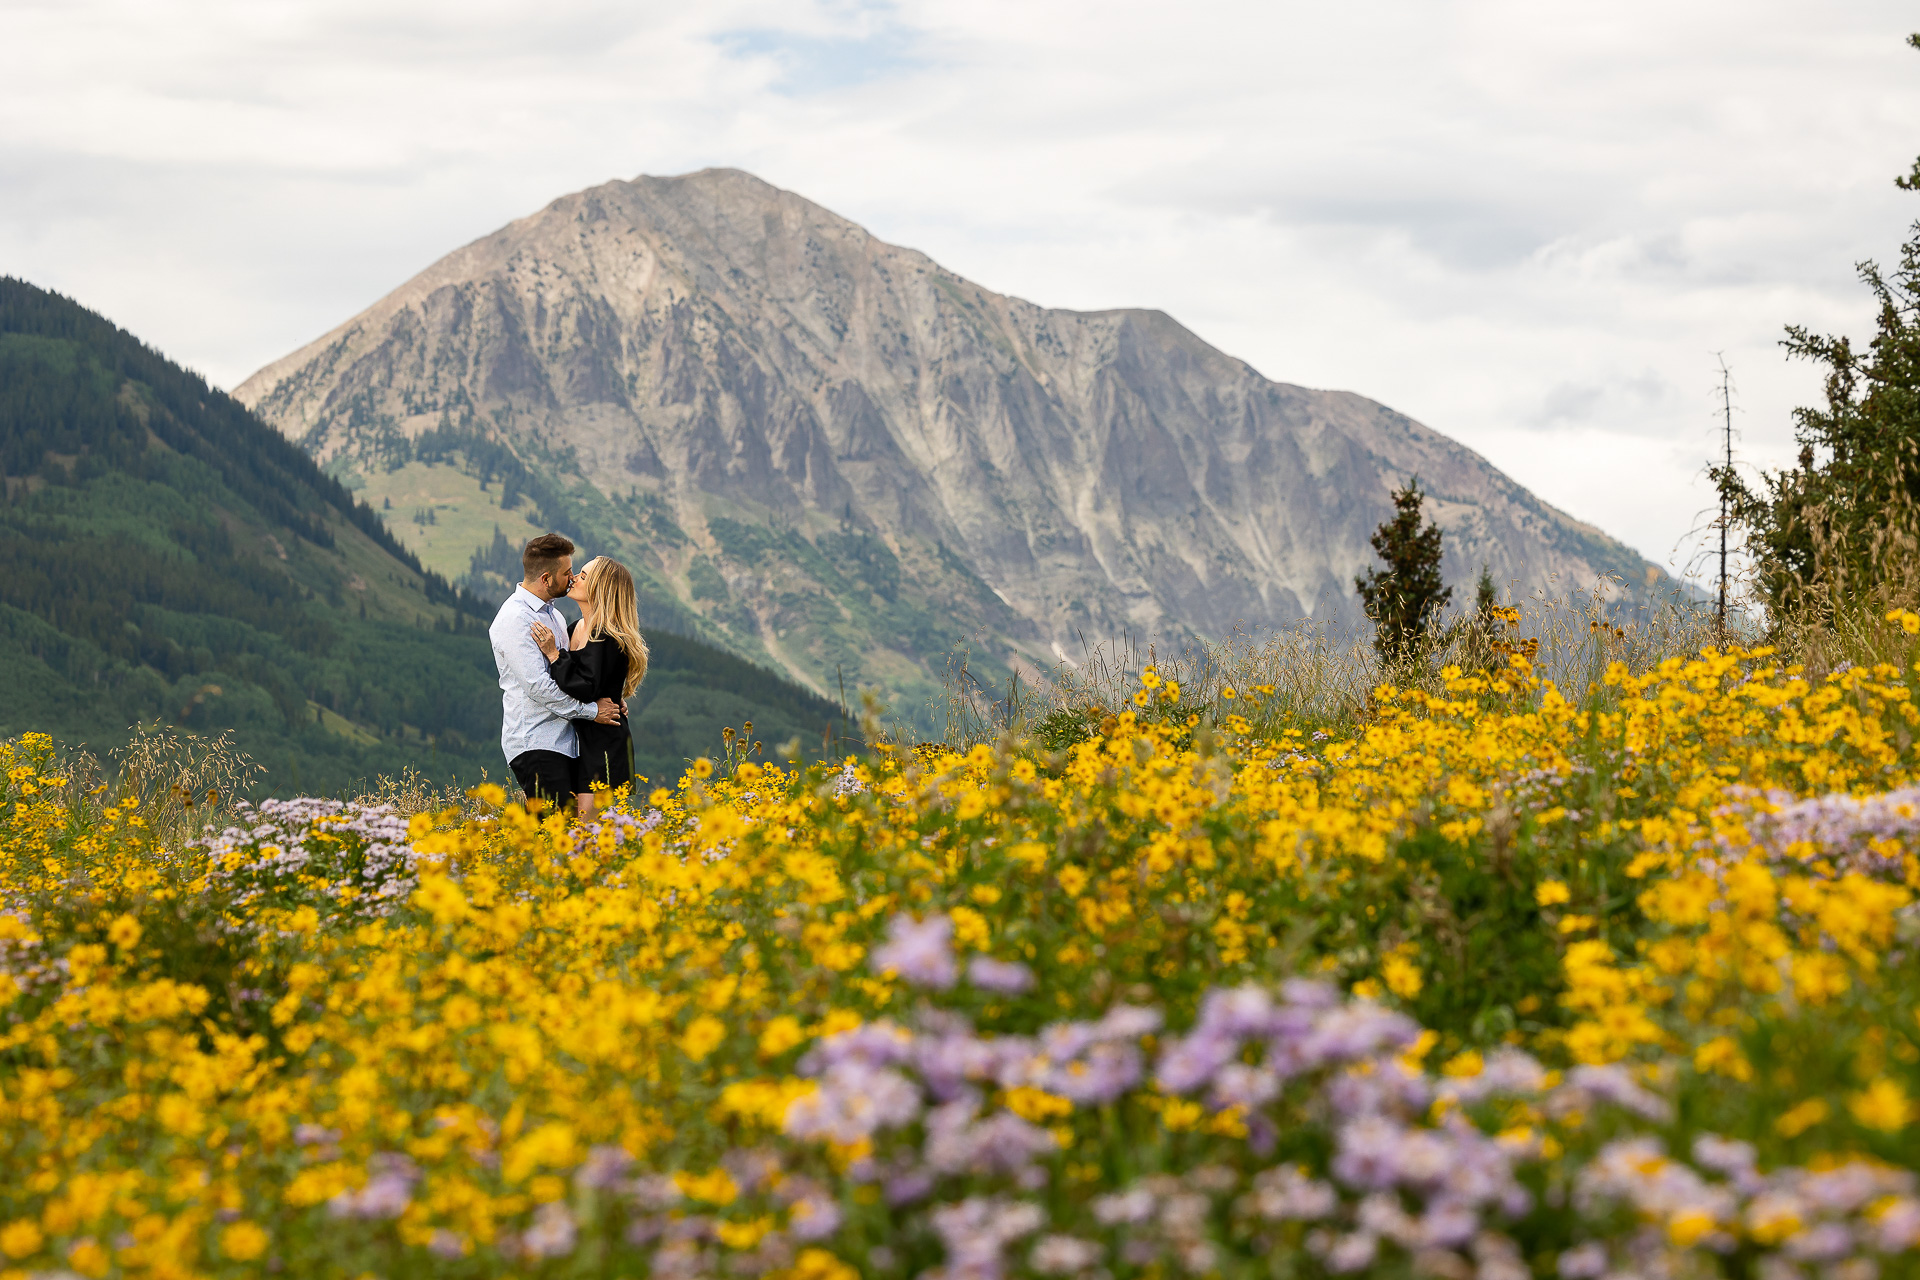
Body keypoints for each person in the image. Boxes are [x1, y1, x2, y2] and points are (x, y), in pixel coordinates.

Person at [488, 532, 623, 811]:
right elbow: (539, 687)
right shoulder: (515, 619)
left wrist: (608, 695)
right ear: (546, 579)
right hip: (536, 740)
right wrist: (592, 712)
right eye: (567, 572)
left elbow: (574, 672)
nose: (572, 578)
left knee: (565, 830)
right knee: (553, 829)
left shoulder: (555, 615)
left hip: (565, 740)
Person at [531, 556, 650, 817]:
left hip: (602, 745)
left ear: (600, 589)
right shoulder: (575, 628)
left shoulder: (607, 636)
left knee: (590, 833)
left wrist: (554, 655)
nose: (574, 578)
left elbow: (585, 687)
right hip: (576, 741)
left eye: (583, 576)